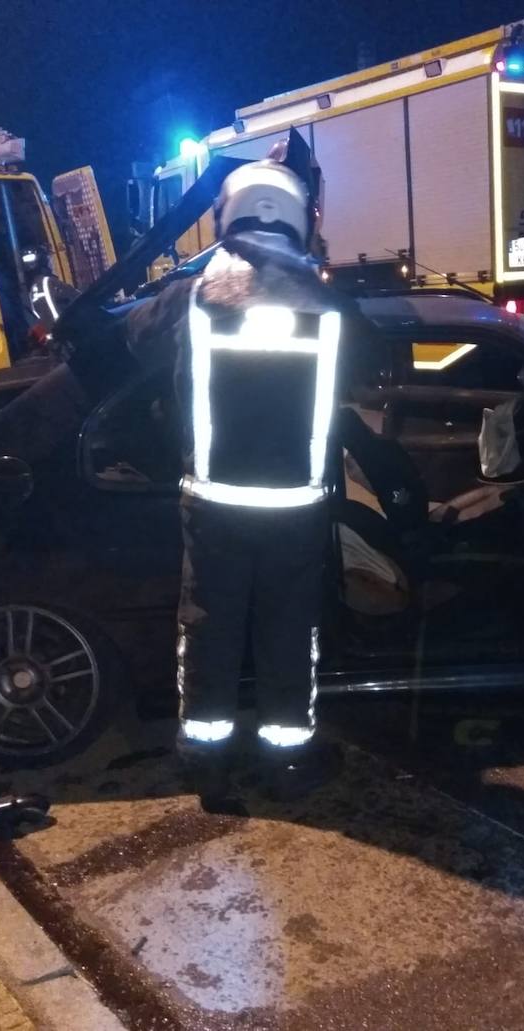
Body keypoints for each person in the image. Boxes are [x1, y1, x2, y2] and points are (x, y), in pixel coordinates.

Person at [124, 148, 345, 809]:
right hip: (297, 509)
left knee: (210, 630)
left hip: (215, 506)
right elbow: (373, 364)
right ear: (297, 221)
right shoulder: (327, 303)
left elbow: (134, 338)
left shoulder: (192, 296)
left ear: (231, 213)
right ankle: (285, 762)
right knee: (288, 633)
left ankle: (208, 764)